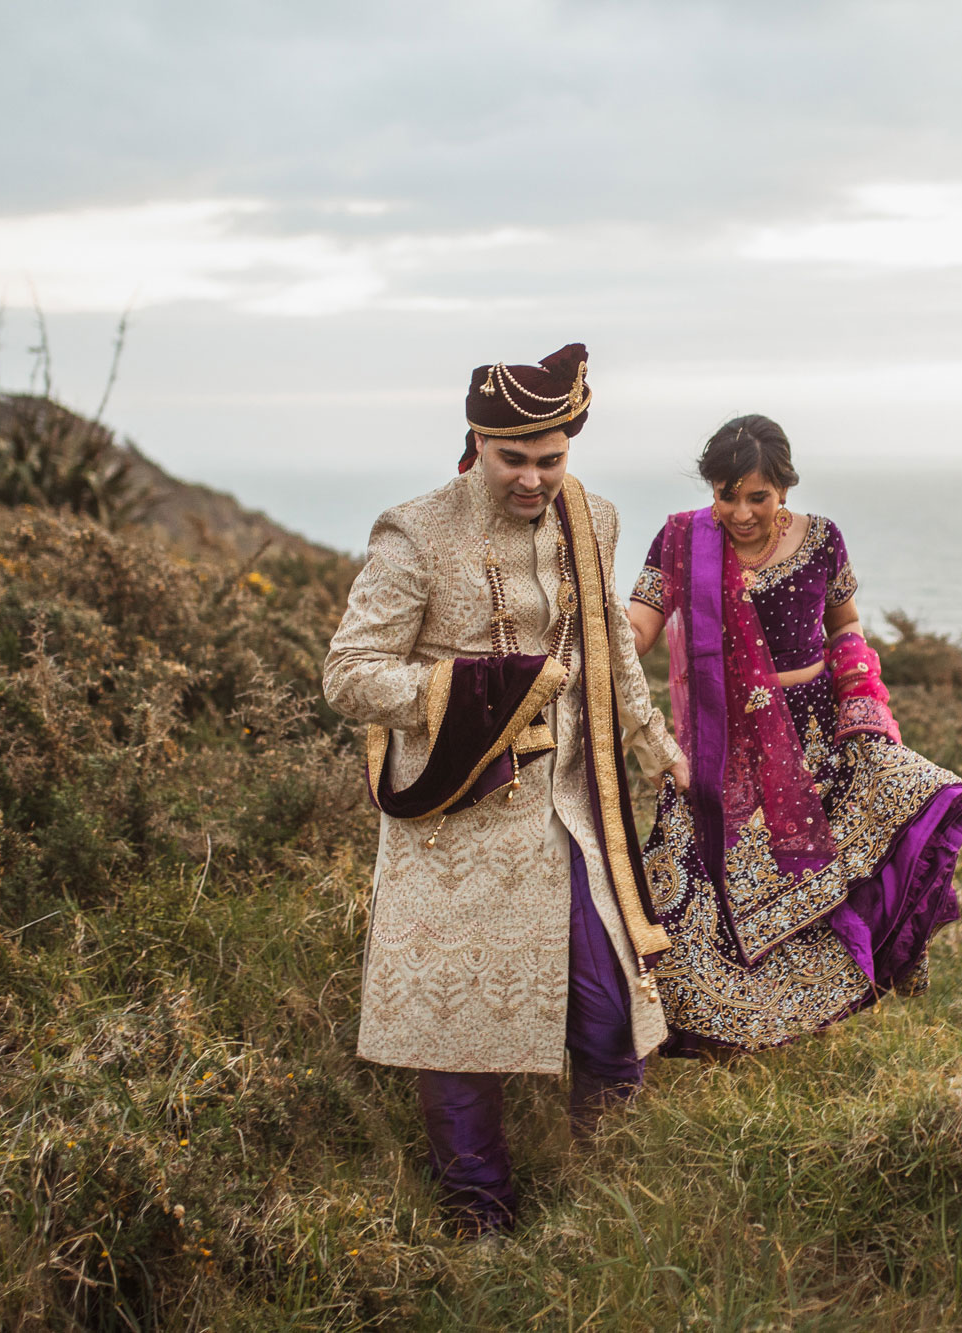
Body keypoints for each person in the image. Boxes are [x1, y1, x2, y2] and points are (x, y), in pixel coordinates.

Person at [323, 343, 687, 1237]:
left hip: (572, 810)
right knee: (460, 1033)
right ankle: (480, 1223)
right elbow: (349, 674)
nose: (533, 478)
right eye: (512, 458)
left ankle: (608, 1203)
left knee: (611, 1015)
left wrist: (651, 738)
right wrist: (473, 688)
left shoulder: (590, 516)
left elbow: (606, 641)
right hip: (459, 821)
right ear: (477, 442)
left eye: (550, 458)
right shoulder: (414, 530)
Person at [626, 414, 962, 1055]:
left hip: (814, 736)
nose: (740, 512)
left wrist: (863, 712)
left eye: (756, 496)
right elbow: (638, 632)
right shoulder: (683, 541)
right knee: (704, 881)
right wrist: (596, 651)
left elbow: (845, 629)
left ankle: (794, 1023)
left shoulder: (823, 539)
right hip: (722, 741)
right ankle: (711, 1031)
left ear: (783, 488)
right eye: (725, 495)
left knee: (815, 878)